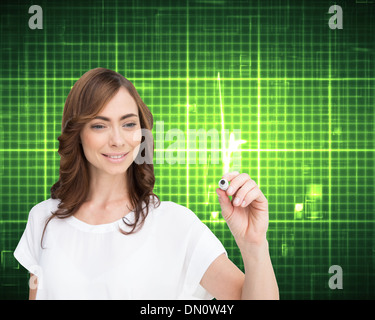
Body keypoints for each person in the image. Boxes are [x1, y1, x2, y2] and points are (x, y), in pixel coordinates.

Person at [13, 68, 279, 300]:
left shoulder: (175, 224)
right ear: (77, 133)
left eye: (128, 124)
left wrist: (253, 244)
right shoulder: (43, 219)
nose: (118, 140)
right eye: (99, 126)